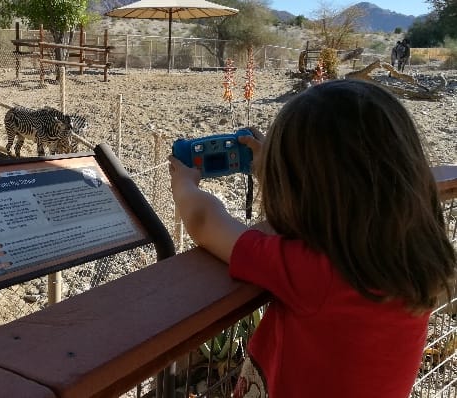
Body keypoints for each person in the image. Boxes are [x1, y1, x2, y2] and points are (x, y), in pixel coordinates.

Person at [169, 79, 456, 397]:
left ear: (298, 189)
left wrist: (185, 183)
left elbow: (204, 221)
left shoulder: (313, 274)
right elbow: (347, 197)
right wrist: (278, 169)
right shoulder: (413, 255)